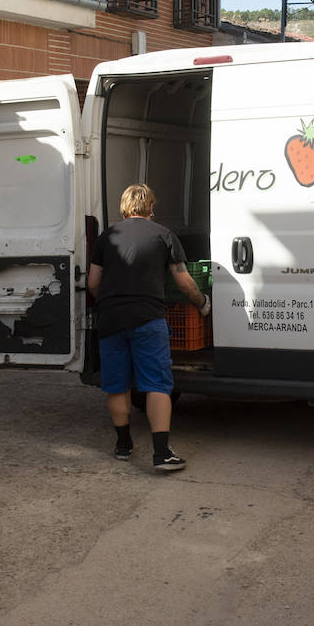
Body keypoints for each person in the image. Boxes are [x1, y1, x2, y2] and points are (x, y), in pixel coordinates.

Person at [87, 184, 210, 472]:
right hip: (148, 318)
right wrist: (202, 301)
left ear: (124, 208)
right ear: (151, 208)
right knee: (156, 384)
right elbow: (183, 281)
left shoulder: (107, 236)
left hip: (111, 319)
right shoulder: (164, 235)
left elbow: (93, 282)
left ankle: (123, 445)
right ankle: (161, 453)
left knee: (117, 385)